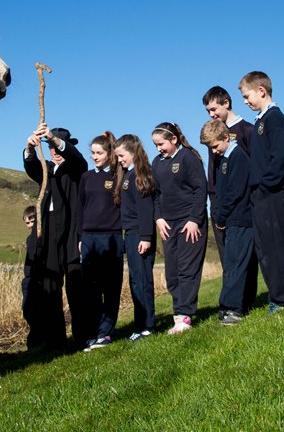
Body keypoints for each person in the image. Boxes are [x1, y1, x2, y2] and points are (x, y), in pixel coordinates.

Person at [23, 124, 88, 350]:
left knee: (76, 286)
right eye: (50, 147)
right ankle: (55, 339)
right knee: (50, 287)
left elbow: (77, 158)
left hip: (71, 232)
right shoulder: (46, 169)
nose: (54, 152)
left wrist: (53, 138)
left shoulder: (76, 169)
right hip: (48, 234)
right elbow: (31, 167)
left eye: (57, 147)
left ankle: (83, 336)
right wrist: (30, 148)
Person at [239, 71, 284, 313]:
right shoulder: (259, 121)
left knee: (274, 245)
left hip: (271, 192)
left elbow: (280, 157)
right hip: (259, 193)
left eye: (247, 96)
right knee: (263, 247)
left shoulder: (275, 118)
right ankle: (276, 295)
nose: (245, 101)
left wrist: (265, 185)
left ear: (261, 91)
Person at [201, 85, 258, 312]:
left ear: (226, 103)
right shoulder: (214, 134)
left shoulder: (246, 131)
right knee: (229, 256)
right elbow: (216, 172)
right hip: (220, 201)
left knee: (243, 255)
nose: (211, 114)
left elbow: (247, 175)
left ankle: (245, 301)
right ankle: (232, 301)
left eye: (214, 109)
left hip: (241, 205)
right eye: (208, 111)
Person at [151, 122, 208, 334]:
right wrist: (158, 218)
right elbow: (154, 194)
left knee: (187, 269)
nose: (158, 149)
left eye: (161, 144)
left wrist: (194, 219)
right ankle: (178, 313)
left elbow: (200, 190)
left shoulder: (189, 158)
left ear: (174, 139)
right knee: (172, 271)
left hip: (190, 223)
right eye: (155, 145)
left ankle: (185, 315)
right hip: (168, 225)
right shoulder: (157, 163)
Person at [78, 131, 124, 351]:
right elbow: (81, 208)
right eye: (92, 153)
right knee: (90, 287)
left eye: (99, 153)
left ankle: (106, 333)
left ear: (109, 154)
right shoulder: (86, 178)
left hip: (111, 237)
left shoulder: (118, 176)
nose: (94, 157)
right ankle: (95, 332)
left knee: (110, 286)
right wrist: (80, 237)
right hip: (88, 238)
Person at [113, 134, 157, 341]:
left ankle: (147, 325)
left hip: (140, 234)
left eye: (122, 155)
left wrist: (146, 237)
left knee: (143, 280)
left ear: (132, 152)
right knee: (135, 282)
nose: (119, 160)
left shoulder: (140, 175)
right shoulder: (127, 176)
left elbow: (146, 209)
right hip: (130, 234)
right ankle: (140, 326)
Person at [21, 205, 37, 317]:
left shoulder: (42, 237)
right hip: (28, 277)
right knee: (26, 309)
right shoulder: (29, 239)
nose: (30, 225)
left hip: (37, 277)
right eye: (27, 223)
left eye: (32, 222)